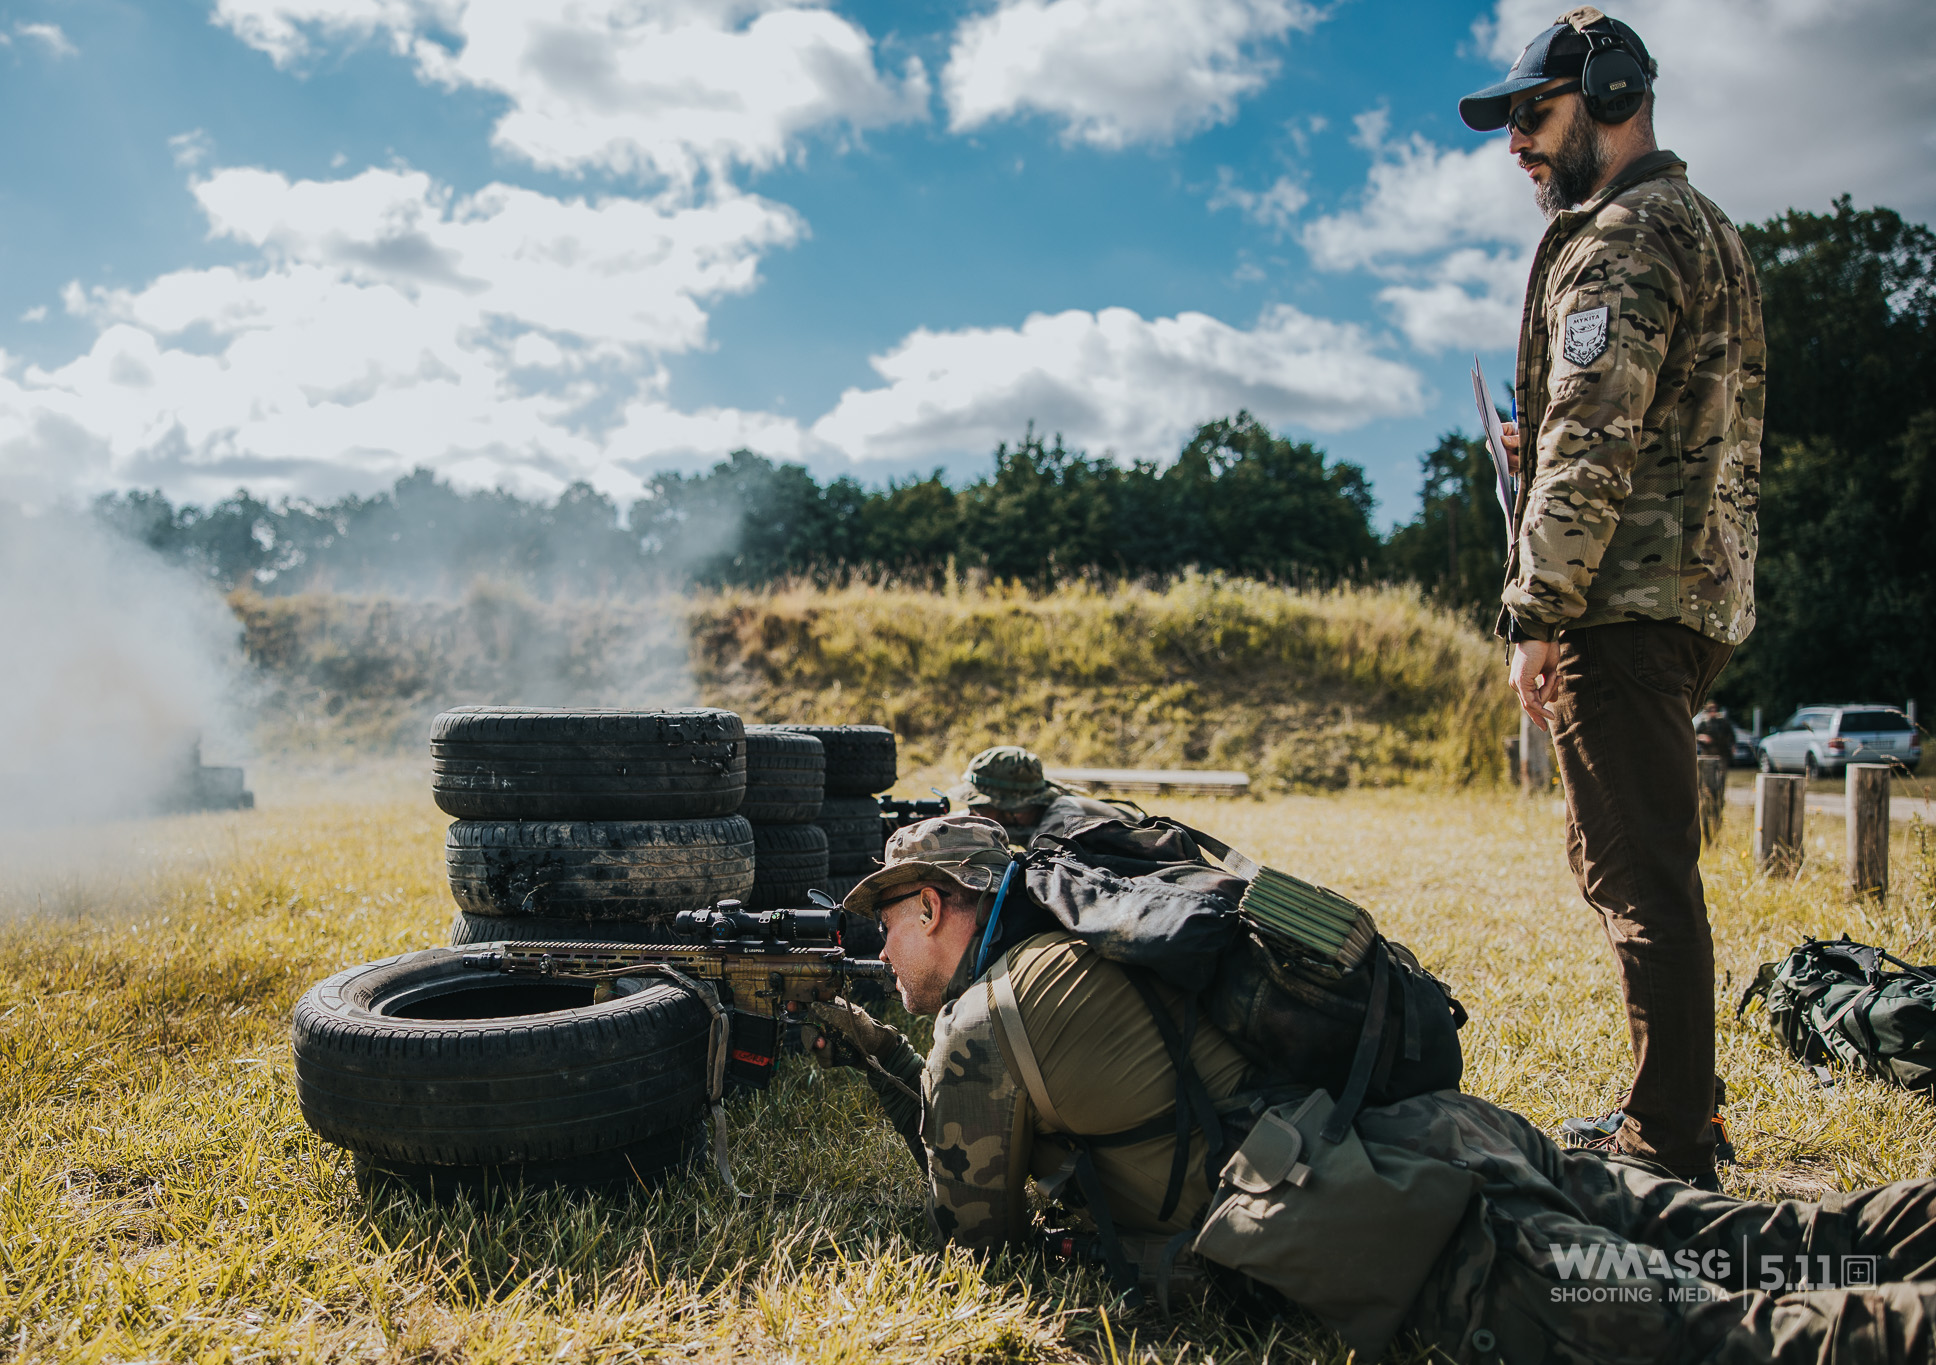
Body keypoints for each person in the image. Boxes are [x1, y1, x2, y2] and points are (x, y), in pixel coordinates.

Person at [809, 814, 1936, 1363]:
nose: (880, 949)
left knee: (1728, 1336)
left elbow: (977, 1228)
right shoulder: (1112, 934)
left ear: (935, 905)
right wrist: (875, 1052)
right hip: (1458, 1140)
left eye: (885, 923)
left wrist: (898, 1067)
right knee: (1784, 1243)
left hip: (1435, 1234)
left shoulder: (984, 1024)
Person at [1462, 7, 1766, 1186]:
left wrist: (1534, 613)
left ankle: (1666, 1143)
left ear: (1610, 92)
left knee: (1635, 874)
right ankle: (1678, 1108)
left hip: (1618, 602)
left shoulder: (1619, 239)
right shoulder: (1702, 225)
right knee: (1650, 863)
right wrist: (1536, 435)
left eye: (1531, 116)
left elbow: (1594, 443)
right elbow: (1643, 415)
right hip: (1679, 591)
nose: (1515, 145)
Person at [949, 745, 1135, 847]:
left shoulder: (1060, 824)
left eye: (977, 806)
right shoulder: (1039, 815)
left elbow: (1030, 880)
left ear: (1013, 809)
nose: (972, 813)